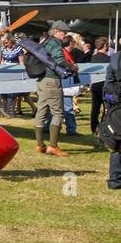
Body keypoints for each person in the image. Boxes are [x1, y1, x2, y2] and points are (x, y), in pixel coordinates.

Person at [30, 22, 74, 156]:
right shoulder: (55, 43)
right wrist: (73, 67)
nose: (64, 35)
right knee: (58, 113)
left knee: (41, 110)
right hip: (51, 80)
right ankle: (53, 146)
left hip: (41, 80)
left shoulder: (45, 41)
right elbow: (60, 60)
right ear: (55, 31)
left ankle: (40, 145)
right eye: (63, 32)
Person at [103, 49, 121, 189]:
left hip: (116, 105)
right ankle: (115, 179)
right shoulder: (116, 58)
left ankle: (115, 180)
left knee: (118, 143)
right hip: (117, 103)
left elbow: (108, 85)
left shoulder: (115, 58)